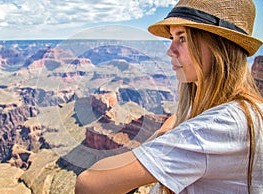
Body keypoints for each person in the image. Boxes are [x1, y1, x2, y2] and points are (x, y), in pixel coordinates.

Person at [74, 0, 263, 193]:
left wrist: (156, 144)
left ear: (219, 46)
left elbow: (88, 184)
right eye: (172, 38)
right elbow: (178, 120)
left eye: (183, 38)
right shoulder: (230, 111)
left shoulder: (218, 125)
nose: (169, 51)